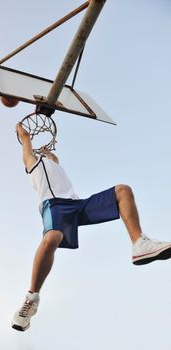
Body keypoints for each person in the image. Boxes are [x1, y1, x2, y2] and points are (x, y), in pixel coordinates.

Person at [12, 122, 171, 332]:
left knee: (123, 191)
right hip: (54, 204)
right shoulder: (31, 163)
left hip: (76, 204)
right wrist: (22, 128)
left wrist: (49, 152)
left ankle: (139, 244)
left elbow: (54, 160)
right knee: (52, 238)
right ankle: (31, 299)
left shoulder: (53, 163)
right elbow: (25, 139)